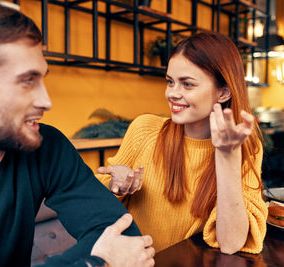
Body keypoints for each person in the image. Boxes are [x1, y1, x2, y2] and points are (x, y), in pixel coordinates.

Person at [0, 1, 155, 266]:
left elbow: (123, 235)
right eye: (27, 81)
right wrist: (95, 262)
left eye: (42, 79)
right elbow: (110, 254)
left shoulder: (46, 145)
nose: (46, 101)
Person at [97, 31, 268, 254]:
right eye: (170, 82)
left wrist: (227, 156)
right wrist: (115, 185)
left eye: (187, 84)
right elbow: (94, 202)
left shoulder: (245, 148)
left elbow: (231, 243)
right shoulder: (144, 130)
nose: (172, 94)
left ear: (223, 92)